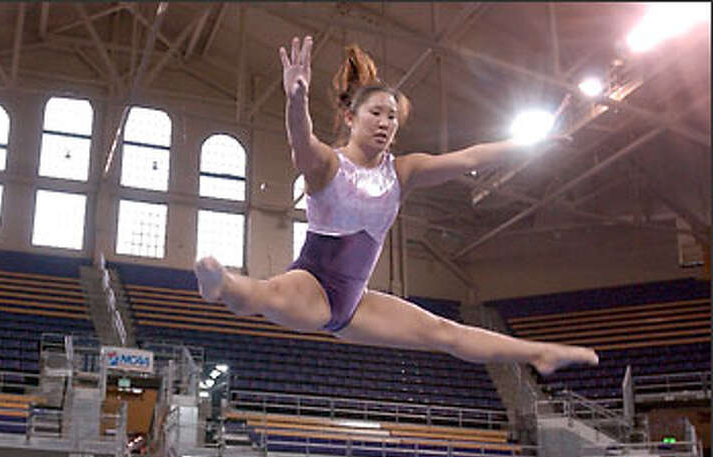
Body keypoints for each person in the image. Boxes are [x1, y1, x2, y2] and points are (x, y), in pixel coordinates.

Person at [194, 37, 599, 377]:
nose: (386, 123)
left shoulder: (403, 172)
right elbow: (300, 139)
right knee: (261, 296)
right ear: (350, 117)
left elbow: (471, 158)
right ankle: (222, 285)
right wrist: (295, 99)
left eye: (393, 117)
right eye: (376, 113)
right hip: (313, 283)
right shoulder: (328, 165)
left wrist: (532, 145)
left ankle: (537, 353)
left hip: (357, 302)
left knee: (446, 333)